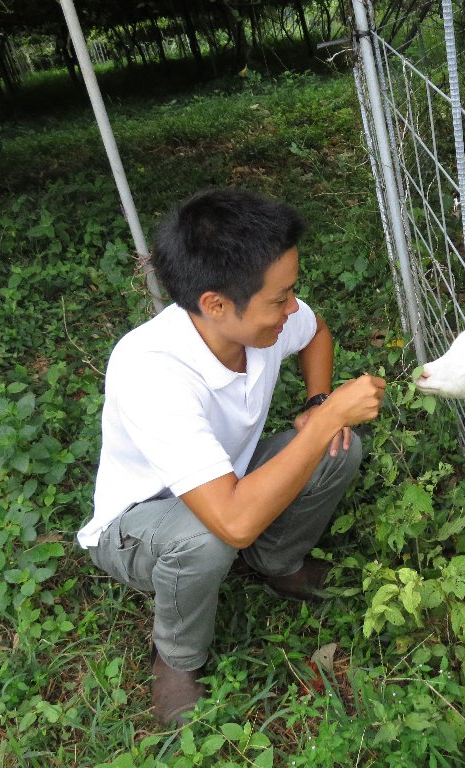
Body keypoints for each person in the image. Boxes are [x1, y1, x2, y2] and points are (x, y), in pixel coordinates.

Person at [75, 188, 386, 725]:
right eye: (279, 298)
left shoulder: (264, 322)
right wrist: (330, 416)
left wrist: (317, 404)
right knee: (209, 534)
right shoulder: (152, 369)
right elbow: (233, 520)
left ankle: (278, 564)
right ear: (216, 304)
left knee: (337, 450)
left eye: (292, 292)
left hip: (225, 486)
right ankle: (175, 657)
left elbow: (316, 333)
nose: (292, 308)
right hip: (138, 525)